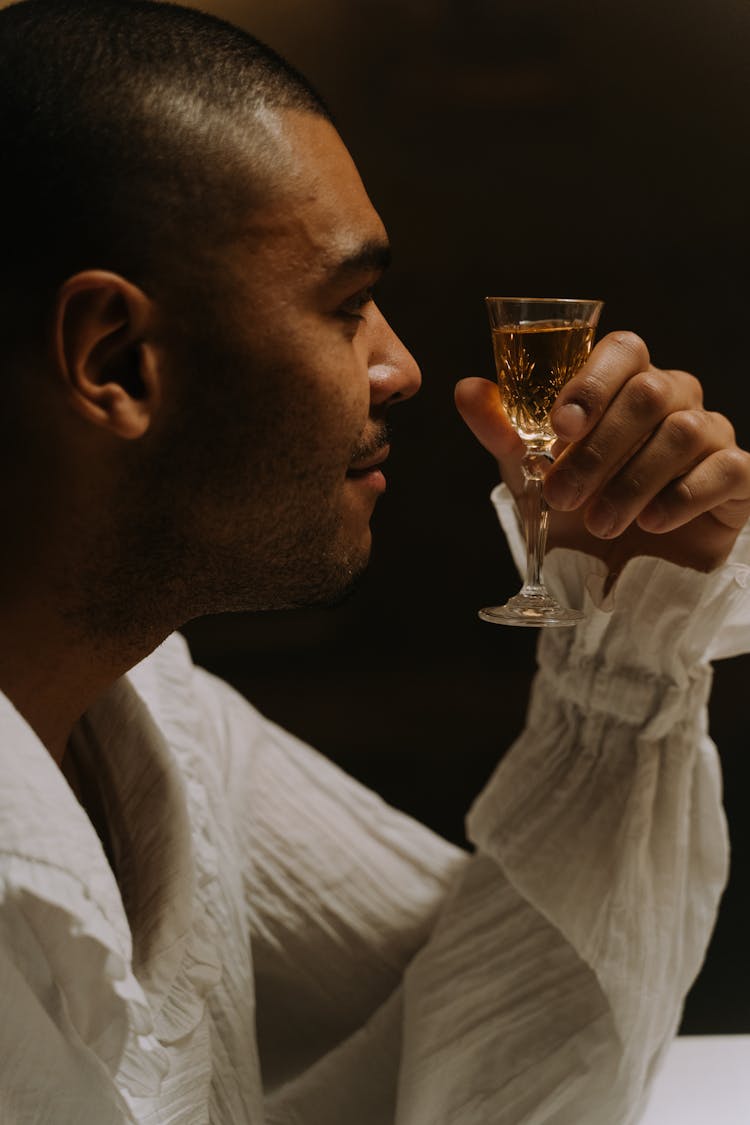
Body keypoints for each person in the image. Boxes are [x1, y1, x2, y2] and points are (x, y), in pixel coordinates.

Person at [1, 1, 749, 1123]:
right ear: (115, 360)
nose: (399, 365)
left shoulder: (161, 715)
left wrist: (629, 622)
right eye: (348, 305)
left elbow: (499, 1044)